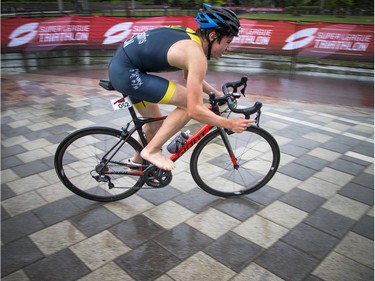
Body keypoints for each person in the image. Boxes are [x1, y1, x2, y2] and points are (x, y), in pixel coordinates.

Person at [108, 4, 253, 171]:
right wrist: (229, 124)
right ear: (213, 35)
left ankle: (136, 166)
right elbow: (194, 110)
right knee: (187, 103)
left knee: (155, 126)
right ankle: (152, 151)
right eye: (227, 42)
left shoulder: (191, 37)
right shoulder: (196, 55)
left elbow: (189, 77)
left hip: (123, 69)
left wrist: (218, 94)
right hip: (128, 74)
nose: (229, 48)